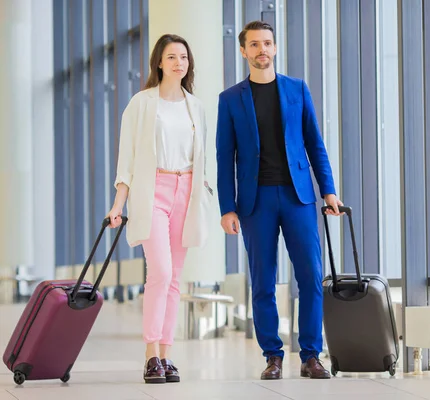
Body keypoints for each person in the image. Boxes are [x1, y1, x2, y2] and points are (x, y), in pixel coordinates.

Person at [216, 20, 342, 380]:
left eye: (267, 43)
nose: (262, 50)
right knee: (263, 281)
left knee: (311, 277)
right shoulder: (230, 99)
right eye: (254, 45)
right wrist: (227, 207)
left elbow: (315, 144)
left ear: (275, 47)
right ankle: (272, 355)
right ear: (243, 51)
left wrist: (328, 190)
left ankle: (311, 355)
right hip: (255, 202)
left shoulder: (297, 90)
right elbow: (225, 157)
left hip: (298, 196)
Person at [107, 34, 212, 384]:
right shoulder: (141, 103)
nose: (179, 62)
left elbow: (202, 161)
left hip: (186, 192)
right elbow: (127, 160)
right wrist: (118, 205)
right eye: (171, 56)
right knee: (161, 272)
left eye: (184, 56)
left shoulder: (195, 106)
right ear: (159, 62)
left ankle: (166, 355)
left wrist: (205, 193)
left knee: (175, 278)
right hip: (152, 190)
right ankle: (151, 353)